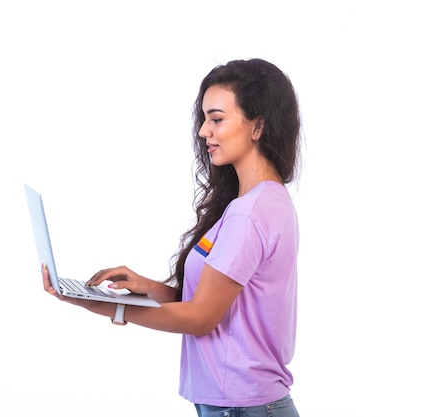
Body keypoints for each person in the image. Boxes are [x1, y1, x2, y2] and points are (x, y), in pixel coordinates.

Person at [42, 58, 302, 417]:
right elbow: (211, 303)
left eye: (217, 119)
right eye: (205, 119)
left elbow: (200, 318)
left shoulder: (250, 212)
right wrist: (147, 287)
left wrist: (104, 306)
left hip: (243, 407)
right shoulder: (261, 202)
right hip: (244, 405)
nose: (203, 132)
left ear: (257, 125)